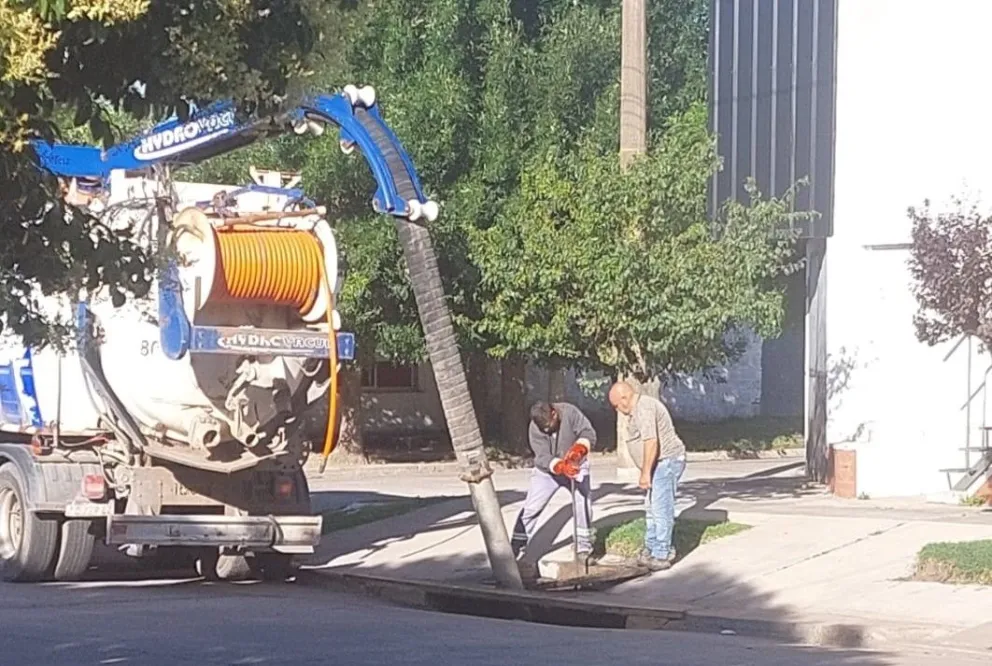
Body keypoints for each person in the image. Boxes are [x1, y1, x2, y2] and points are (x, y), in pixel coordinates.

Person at [608, 381, 686, 571]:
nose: (617, 409)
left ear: (625, 398)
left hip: (666, 462)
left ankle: (662, 553)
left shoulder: (644, 408)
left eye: (616, 405)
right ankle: (650, 549)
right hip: (658, 464)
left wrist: (645, 473)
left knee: (661, 509)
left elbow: (651, 442)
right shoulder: (638, 410)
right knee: (651, 509)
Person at [510, 401, 597, 564]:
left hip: (576, 465)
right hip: (547, 472)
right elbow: (541, 456)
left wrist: (579, 450)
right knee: (531, 508)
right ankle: (515, 547)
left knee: (583, 503)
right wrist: (559, 466)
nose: (546, 431)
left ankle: (583, 548)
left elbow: (588, 433)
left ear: (554, 413)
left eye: (548, 426)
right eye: (543, 428)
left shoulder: (571, 413)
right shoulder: (535, 427)